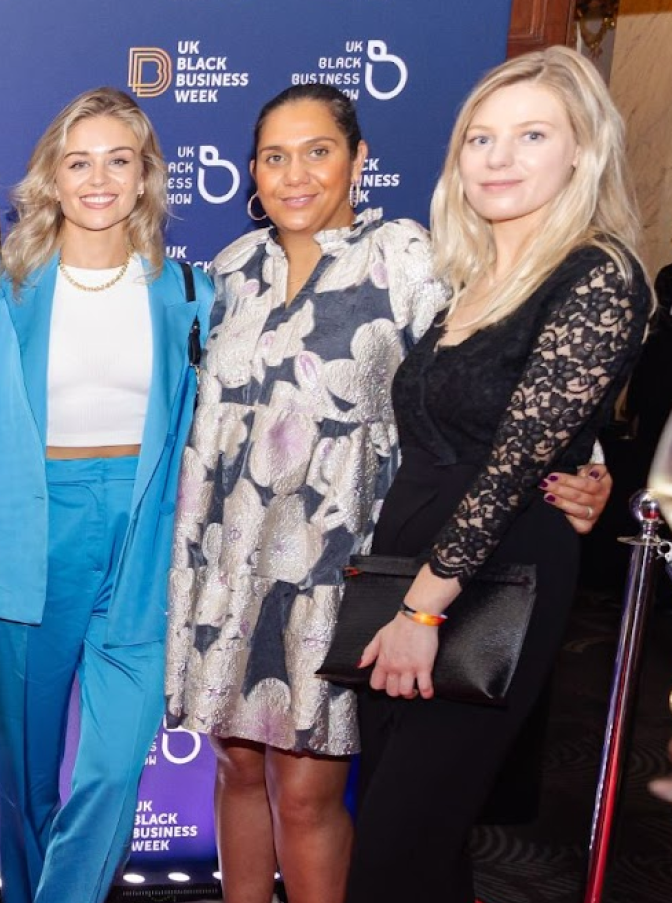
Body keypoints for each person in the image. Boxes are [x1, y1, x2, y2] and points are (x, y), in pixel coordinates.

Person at [165, 83, 611, 903]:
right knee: (235, 767)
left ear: (358, 160)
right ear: (251, 173)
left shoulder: (408, 257)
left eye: (318, 151)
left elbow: (494, 375)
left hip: (346, 564)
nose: (295, 174)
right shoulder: (228, 273)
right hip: (227, 563)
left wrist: (584, 465)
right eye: (274, 156)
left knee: (305, 790)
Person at [346, 46, 651, 902]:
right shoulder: (473, 277)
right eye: (480, 139)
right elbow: (502, 421)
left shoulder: (596, 273)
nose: (498, 157)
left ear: (579, 153)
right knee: (419, 845)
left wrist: (422, 608)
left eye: (530, 135)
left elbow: (515, 458)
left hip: (487, 577)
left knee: (394, 853)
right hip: (408, 563)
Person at [0, 87, 210, 903]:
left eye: (118, 160)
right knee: (27, 782)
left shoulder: (189, 294)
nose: (99, 179)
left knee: (110, 772)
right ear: (52, 178)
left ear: (144, 178)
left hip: (143, 540)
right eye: (79, 162)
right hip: (30, 536)